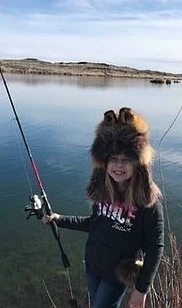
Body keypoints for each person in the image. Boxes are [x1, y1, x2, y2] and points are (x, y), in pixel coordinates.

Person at [42, 107, 164, 308]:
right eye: (113, 159)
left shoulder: (148, 201)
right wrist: (59, 219)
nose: (118, 166)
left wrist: (141, 290)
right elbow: (94, 224)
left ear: (138, 164)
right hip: (92, 265)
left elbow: (155, 247)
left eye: (126, 160)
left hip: (116, 275)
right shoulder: (105, 191)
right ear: (104, 163)